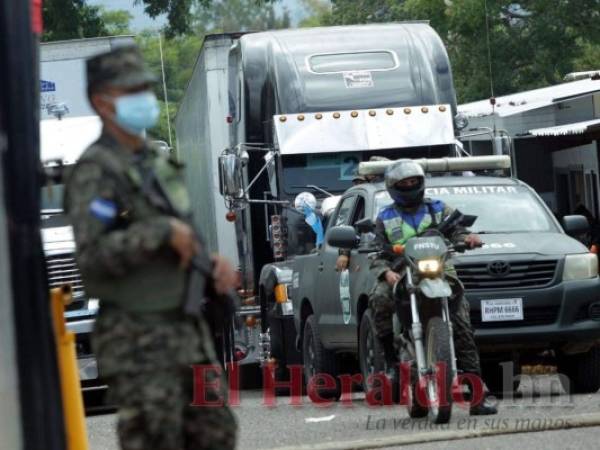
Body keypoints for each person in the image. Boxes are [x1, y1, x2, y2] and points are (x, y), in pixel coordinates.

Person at [63, 45, 238, 449]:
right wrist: (158, 232)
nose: (143, 98)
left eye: (144, 87)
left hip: (187, 329)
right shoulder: (97, 171)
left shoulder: (155, 163)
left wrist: (209, 262)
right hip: (139, 338)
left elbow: (179, 238)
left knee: (217, 435)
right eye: (131, 90)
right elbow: (93, 257)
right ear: (101, 101)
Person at [369, 159, 497, 415]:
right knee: (379, 299)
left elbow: (458, 232)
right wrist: (386, 272)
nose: (409, 186)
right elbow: (375, 251)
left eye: (413, 182)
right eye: (403, 183)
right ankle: (391, 362)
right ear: (393, 187)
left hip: (441, 271)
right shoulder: (384, 217)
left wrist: (468, 239)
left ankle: (477, 397)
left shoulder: (439, 209)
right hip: (404, 271)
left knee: (462, 328)